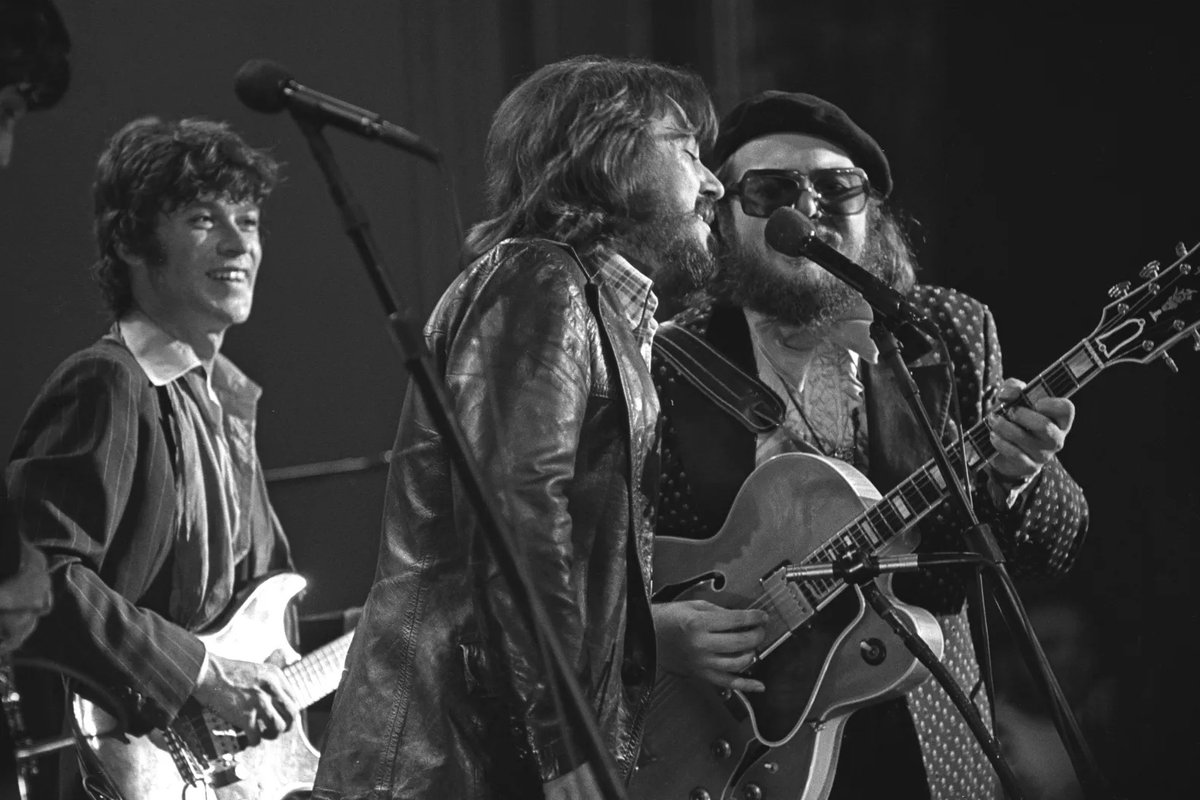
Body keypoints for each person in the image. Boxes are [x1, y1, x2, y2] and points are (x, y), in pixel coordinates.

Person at [649, 90, 1089, 799]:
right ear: (721, 215)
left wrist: (1021, 474)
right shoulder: (670, 359)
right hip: (741, 735)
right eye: (771, 189)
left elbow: (1049, 552)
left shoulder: (944, 331)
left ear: (871, 214)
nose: (808, 204)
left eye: (836, 185)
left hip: (925, 716)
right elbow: (603, 553)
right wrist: (658, 629)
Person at [312, 55, 725, 800]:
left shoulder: (593, 305)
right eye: (690, 150)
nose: (714, 181)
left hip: (496, 750)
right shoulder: (540, 281)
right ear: (612, 153)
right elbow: (517, 523)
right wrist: (568, 744)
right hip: (453, 761)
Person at [2, 116, 298, 797]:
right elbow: (38, 577)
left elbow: (241, 610)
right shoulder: (108, 383)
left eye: (249, 221)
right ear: (133, 243)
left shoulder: (220, 399)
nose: (238, 244)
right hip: (112, 768)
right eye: (202, 219)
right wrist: (199, 674)